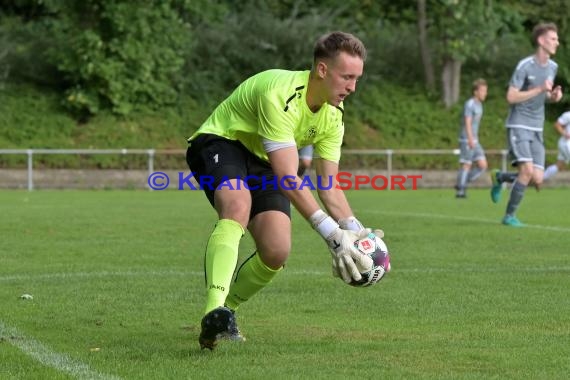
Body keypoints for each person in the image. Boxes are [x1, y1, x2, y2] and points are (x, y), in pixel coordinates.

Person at [186, 31, 382, 350]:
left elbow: (328, 185)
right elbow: (288, 177)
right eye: (346, 76)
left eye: (357, 78)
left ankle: (225, 316)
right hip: (222, 140)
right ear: (322, 70)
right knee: (237, 205)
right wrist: (332, 236)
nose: (352, 87)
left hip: (264, 159)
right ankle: (213, 309)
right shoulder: (279, 93)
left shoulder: (334, 117)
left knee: (277, 250)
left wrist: (356, 231)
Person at [490, 22, 563, 227]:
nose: (557, 42)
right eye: (553, 38)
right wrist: (540, 89)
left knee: (537, 177)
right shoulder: (525, 66)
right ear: (541, 40)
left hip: (537, 127)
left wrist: (554, 96)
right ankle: (509, 216)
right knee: (527, 171)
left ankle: (501, 177)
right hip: (519, 124)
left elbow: (544, 95)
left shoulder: (553, 67)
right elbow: (511, 96)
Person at [454, 78, 489, 198]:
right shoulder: (470, 104)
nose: (485, 93)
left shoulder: (480, 105)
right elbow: (467, 122)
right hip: (467, 139)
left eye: (485, 91)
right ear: (475, 92)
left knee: (483, 165)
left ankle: (462, 182)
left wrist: (475, 138)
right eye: (483, 90)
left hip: (475, 140)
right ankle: (461, 191)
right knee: (467, 164)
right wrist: (470, 138)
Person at [543, 111, 570, 180]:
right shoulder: (568, 115)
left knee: (559, 165)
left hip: (565, 144)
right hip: (566, 143)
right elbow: (557, 125)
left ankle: (541, 178)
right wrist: (565, 134)